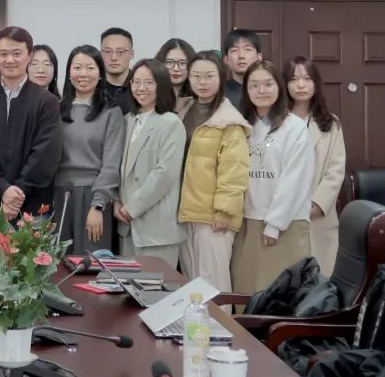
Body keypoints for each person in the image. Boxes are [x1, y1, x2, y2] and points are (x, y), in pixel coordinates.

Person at [231, 59, 313, 294]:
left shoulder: (294, 127)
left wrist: (275, 225)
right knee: (246, 291)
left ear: (279, 86)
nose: (262, 90)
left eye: (268, 84)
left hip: (284, 224)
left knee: (281, 294)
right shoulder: (241, 125)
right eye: (254, 85)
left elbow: (294, 180)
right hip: (247, 221)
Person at [0, 26, 61, 226]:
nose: (10, 60)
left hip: (33, 208)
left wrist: (17, 193)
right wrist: (3, 189)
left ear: (29, 56)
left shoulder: (47, 102)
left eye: (17, 53)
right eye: (3, 54)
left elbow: (45, 154)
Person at [177, 51, 250, 293]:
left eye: (209, 76)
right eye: (196, 76)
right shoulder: (182, 111)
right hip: (184, 211)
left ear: (220, 77)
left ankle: (219, 321)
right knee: (190, 282)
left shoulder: (229, 120)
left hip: (213, 215)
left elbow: (235, 171)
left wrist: (225, 212)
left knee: (213, 283)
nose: (202, 82)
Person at [114, 59, 187, 267]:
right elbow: (116, 166)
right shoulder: (127, 120)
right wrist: (116, 202)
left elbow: (165, 173)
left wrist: (132, 207)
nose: (141, 88)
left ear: (161, 85)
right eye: (136, 82)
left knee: (158, 285)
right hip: (126, 226)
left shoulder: (170, 122)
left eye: (149, 82)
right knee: (127, 286)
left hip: (157, 228)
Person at [53, 45, 124, 252]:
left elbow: (111, 163)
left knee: (90, 262)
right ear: (69, 73)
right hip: (59, 195)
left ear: (100, 74)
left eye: (90, 68)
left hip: (93, 195)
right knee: (57, 262)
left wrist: (98, 205)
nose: (83, 74)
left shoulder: (111, 112)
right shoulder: (55, 109)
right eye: (77, 68)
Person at [284, 55, 346, 276]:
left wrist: (318, 204)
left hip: (317, 216)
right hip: (283, 214)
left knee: (319, 279)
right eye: (294, 79)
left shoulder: (330, 123)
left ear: (316, 83)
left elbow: (335, 170)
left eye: (307, 79)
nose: (301, 85)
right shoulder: (277, 121)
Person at [156, 38, 197, 118]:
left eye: (182, 63)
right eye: (169, 62)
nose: (176, 68)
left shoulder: (199, 97)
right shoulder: (150, 95)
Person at [222, 29, 262, 106]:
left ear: (259, 57)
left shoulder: (268, 90)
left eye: (247, 49)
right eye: (234, 50)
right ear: (226, 59)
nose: (241, 56)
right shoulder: (219, 93)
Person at [100, 28, 135, 114]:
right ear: (100, 54)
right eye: (108, 52)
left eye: (120, 52)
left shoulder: (142, 87)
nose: (114, 58)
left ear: (132, 54)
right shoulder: (92, 87)